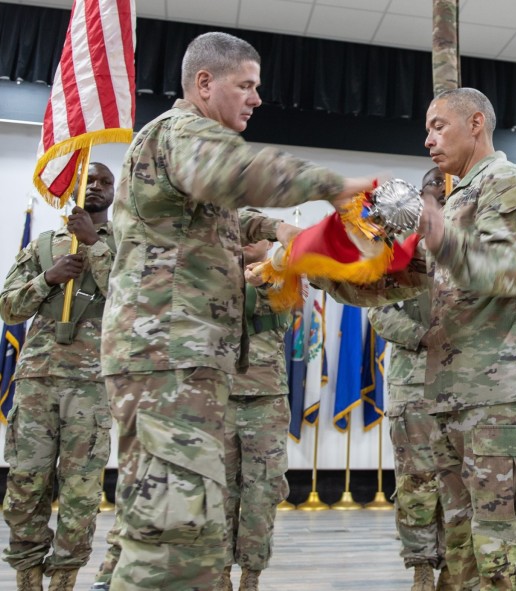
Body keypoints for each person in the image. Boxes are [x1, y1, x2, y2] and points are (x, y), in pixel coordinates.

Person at [99, 31, 374, 591]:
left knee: (174, 530)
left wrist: (276, 229)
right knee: (175, 547)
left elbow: (226, 215)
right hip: (168, 361)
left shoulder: (184, 152)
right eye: (245, 86)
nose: (255, 98)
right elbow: (233, 172)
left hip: (180, 363)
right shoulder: (184, 134)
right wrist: (332, 186)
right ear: (205, 83)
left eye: (257, 88)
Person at [318, 87, 516, 590]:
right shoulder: (459, 198)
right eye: (427, 128)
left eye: (438, 126)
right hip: (453, 394)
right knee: (463, 550)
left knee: (508, 552)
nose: (427, 138)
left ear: (476, 123)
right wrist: (322, 265)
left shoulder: (507, 184)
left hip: (506, 395)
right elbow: (403, 282)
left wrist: (440, 237)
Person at [1, 162, 116, 591]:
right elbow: (9, 308)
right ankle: (27, 577)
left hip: (91, 383)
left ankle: (64, 578)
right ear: (74, 186)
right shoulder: (44, 247)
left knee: (81, 490)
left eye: (107, 182)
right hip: (38, 379)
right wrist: (47, 279)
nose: (99, 187)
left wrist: (94, 245)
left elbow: (131, 299)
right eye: (92, 180)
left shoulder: (126, 245)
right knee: (26, 482)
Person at [367, 167, 450, 591]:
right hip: (412, 382)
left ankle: (453, 570)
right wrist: (423, 336)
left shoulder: (464, 251)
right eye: (433, 194)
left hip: (463, 384)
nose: (439, 201)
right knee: (417, 480)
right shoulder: (398, 247)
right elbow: (378, 309)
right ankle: (420, 566)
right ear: (420, 199)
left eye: (446, 193)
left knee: (459, 481)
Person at [214, 237, 291, 591]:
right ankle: (218, 574)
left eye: (255, 235)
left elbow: (284, 308)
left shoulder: (283, 272)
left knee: (262, 490)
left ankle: (251, 575)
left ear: (267, 243)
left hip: (266, 396)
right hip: (219, 394)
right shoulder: (212, 271)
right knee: (219, 490)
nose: (247, 241)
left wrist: (257, 283)